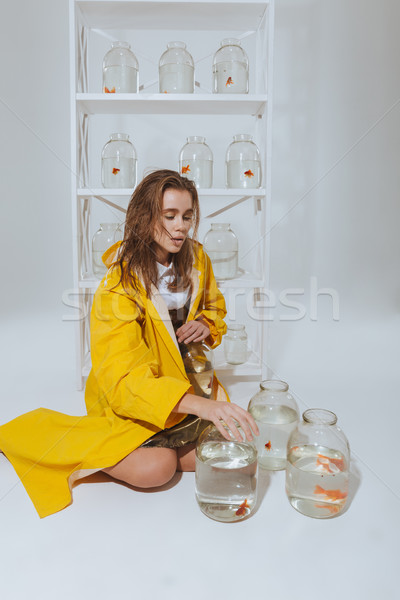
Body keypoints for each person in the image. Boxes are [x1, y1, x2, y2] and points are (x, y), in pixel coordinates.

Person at [0, 169, 258, 518]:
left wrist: (205, 324)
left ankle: (169, 445)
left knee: (239, 453)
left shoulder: (198, 258)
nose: (180, 226)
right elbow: (124, 380)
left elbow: (215, 306)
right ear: (144, 218)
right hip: (134, 398)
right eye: (169, 217)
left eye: (187, 216)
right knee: (157, 470)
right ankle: (39, 437)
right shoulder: (116, 286)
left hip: (191, 382)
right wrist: (204, 408)